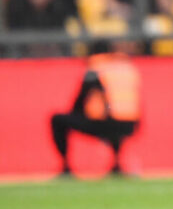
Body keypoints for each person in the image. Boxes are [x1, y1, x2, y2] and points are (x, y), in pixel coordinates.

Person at [50, 45, 142, 176]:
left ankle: (66, 166)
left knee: (58, 120)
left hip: (105, 122)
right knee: (114, 123)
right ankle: (116, 164)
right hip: (130, 124)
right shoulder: (127, 68)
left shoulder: (96, 69)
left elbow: (81, 98)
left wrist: (77, 115)